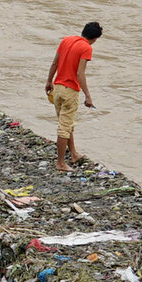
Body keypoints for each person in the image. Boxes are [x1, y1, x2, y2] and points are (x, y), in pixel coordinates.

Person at [44, 21, 101, 173]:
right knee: (64, 127)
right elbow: (80, 73)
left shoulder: (66, 40)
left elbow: (55, 62)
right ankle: (61, 163)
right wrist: (88, 95)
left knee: (66, 123)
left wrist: (49, 81)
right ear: (95, 39)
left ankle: (74, 154)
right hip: (70, 90)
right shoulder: (86, 48)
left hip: (58, 88)